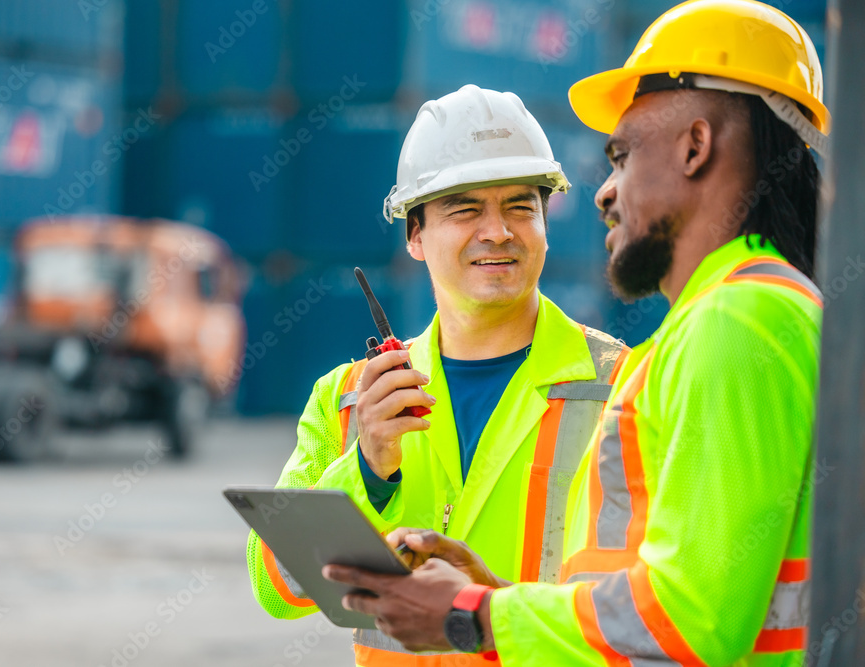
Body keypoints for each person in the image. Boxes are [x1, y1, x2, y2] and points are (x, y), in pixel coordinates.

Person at [323, 1, 827, 665]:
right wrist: (495, 596)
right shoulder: (760, 312)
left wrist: (476, 614)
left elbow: (692, 623)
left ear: (695, 146)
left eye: (621, 155)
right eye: (464, 210)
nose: (604, 193)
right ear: (415, 233)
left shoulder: (737, 320)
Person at [246, 84, 629, 666]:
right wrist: (368, 470)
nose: (497, 231)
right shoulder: (348, 399)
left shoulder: (621, 386)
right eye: (465, 209)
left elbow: (650, 605)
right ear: (416, 235)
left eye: (520, 206)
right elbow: (276, 586)